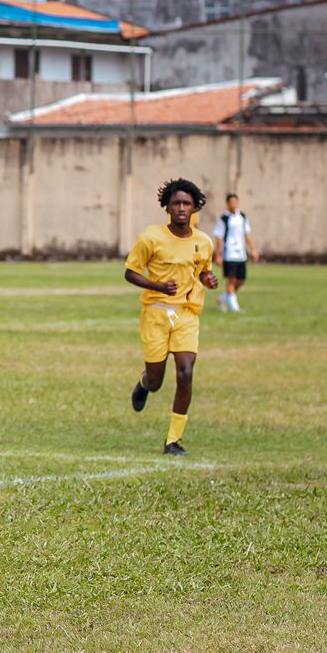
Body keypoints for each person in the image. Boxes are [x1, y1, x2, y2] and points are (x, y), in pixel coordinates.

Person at [125, 178, 218, 456]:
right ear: (167, 206)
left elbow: (201, 270)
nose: (181, 208)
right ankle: (143, 385)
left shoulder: (204, 242)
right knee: (156, 381)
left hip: (186, 313)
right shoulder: (150, 237)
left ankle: (173, 441)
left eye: (186, 203)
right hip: (155, 313)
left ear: (194, 208)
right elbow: (130, 272)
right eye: (176, 203)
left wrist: (208, 278)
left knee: (186, 372)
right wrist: (157, 286)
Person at [212, 192, 258, 311]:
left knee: (241, 280)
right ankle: (234, 308)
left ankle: (222, 298)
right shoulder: (223, 218)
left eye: (235, 202)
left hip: (241, 254)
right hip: (229, 254)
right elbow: (218, 238)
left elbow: (247, 234)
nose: (233, 204)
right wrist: (218, 255)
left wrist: (252, 250)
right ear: (227, 203)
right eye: (231, 202)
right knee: (231, 280)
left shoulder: (242, 216)